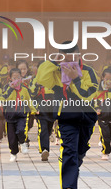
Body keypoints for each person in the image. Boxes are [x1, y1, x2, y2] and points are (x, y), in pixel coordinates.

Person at [36, 41, 98, 189]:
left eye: (73, 57)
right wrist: (54, 61)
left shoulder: (89, 71)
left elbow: (88, 95)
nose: (70, 61)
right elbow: (41, 78)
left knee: (79, 152)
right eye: (66, 58)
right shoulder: (56, 71)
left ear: (79, 55)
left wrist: (76, 78)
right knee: (69, 150)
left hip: (87, 117)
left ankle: (74, 163)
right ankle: (69, 186)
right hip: (66, 117)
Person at [2, 68, 37, 162]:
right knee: (12, 138)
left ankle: (22, 143)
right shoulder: (7, 89)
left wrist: (34, 110)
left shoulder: (24, 89)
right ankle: (13, 153)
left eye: (18, 77)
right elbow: (3, 98)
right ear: (10, 78)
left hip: (22, 115)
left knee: (21, 130)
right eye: (14, 78)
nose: (16, 80)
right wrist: (11, 89)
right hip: (10, 117)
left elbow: (29, 101)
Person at [93, 68, 111, 160]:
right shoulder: (98, 90)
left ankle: (107, 140)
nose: (109, 81)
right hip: (102, 117)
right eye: (106, 79)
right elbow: (94, 100)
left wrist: (110, 92)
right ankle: (105, 152)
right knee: (106, 136)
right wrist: (97, 108)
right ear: (102, 78)